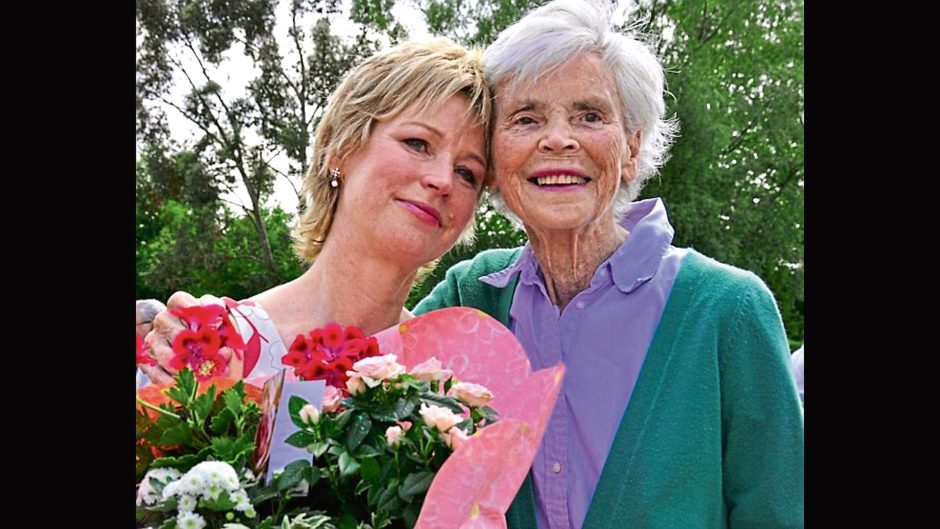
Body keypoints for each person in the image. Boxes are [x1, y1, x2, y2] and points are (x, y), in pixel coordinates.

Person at [413, 1, 804, 527]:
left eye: (589, 116)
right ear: (494, 165)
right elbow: (347, 383)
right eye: (526, 119)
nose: (557, 138)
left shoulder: (728, 311)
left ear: (632, 150)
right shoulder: (471, 296)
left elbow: (780, 513)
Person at [139, 37, 491, 385]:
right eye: (417, 143)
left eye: (467, 173)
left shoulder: (454, 382)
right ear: (341, 149)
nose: (443, 180)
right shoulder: (197, 353)